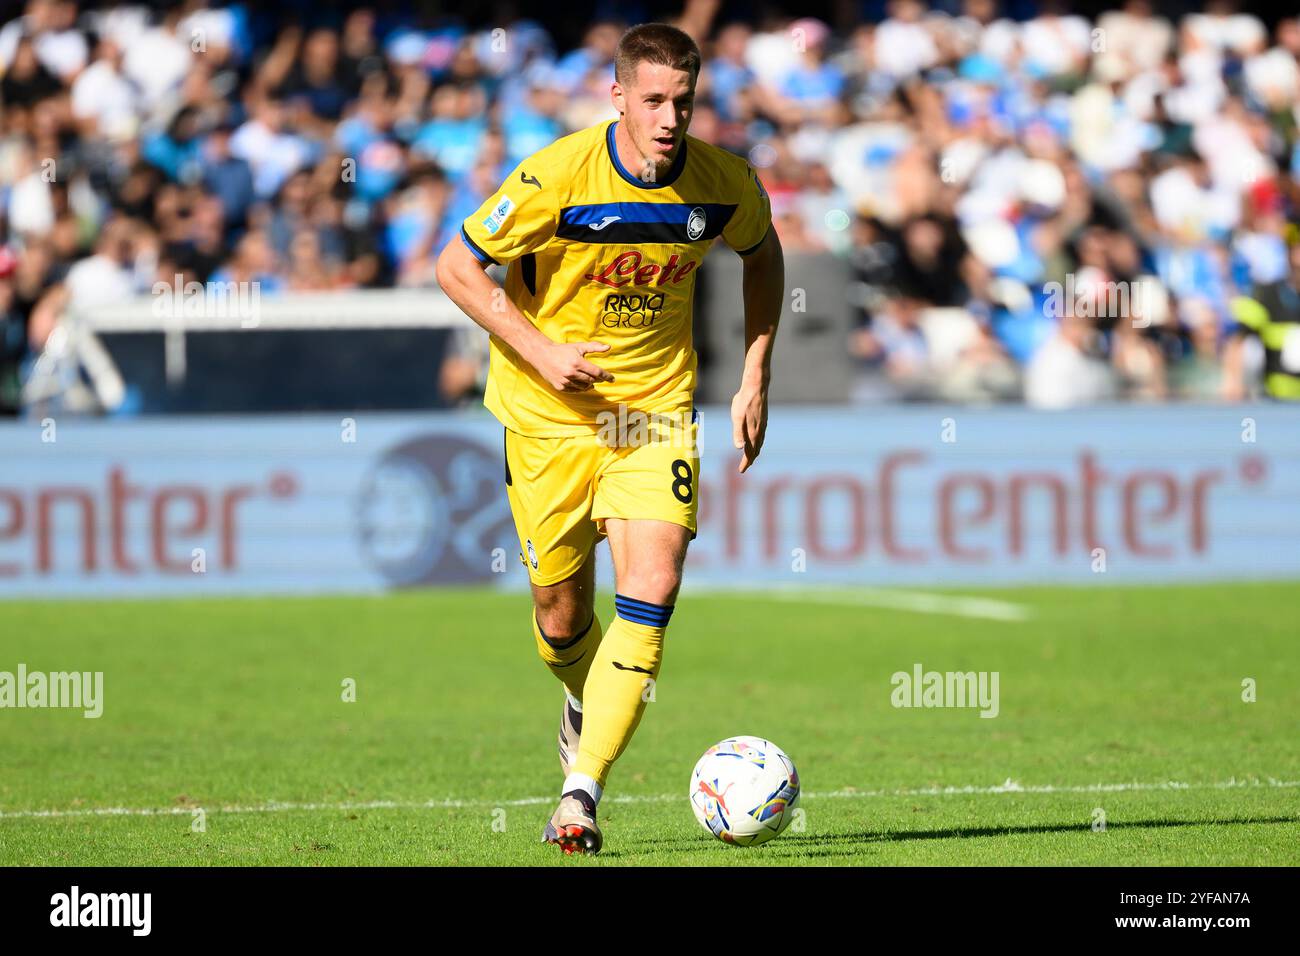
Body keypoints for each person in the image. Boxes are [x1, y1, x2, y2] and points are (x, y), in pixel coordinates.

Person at [435, 22, 783, 854]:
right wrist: (542, 350)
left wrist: (757, 372)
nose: (670, 119)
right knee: (560, 622)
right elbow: (455, 265)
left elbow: (762, 255)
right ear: (618, 96)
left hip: (653, 414)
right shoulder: (558, 175)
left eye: (685, 103)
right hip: (547, 419)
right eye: (654, 100)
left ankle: (580, 792)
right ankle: (585, 694)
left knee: (652, 591)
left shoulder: (725, 183)